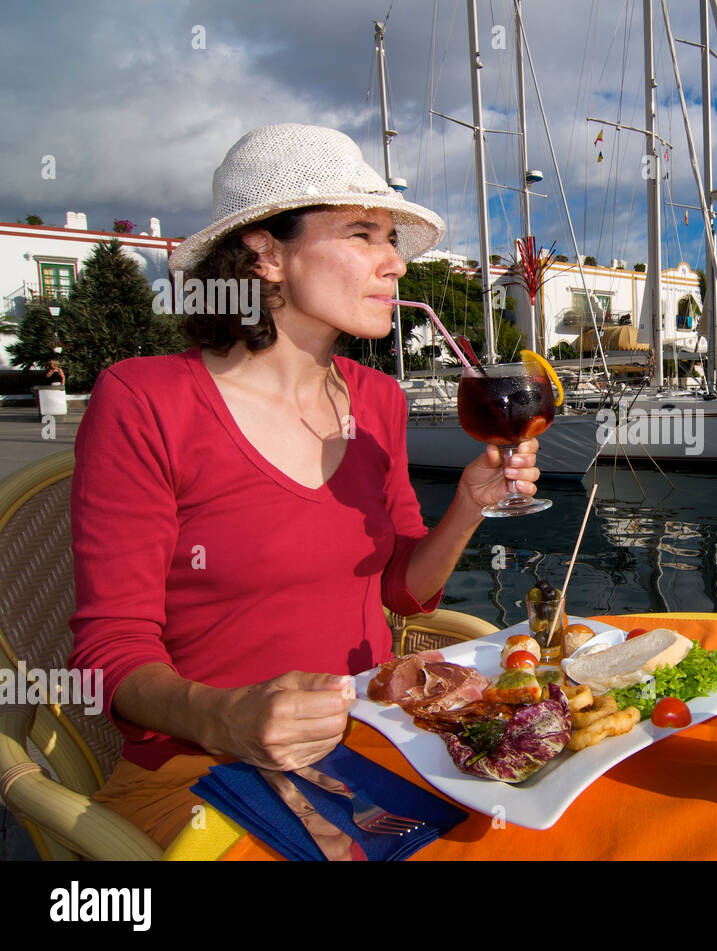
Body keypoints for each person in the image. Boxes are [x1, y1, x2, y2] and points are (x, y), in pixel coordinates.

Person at [67, 123, 541, 849]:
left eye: (392, 239)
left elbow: (401, 592)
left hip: (377, 745)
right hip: (203, 774)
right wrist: (224, 715)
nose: (395, 265)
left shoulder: (381, 399)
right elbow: (108, 651)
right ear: (265, 254)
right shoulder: (145, 400)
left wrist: (470, 505)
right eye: (363, 234)